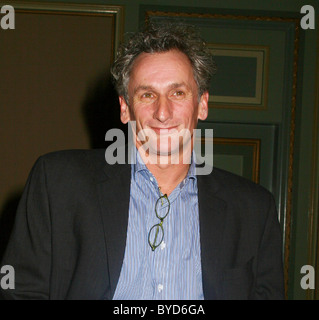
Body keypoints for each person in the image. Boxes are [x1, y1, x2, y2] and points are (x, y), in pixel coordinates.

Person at [0, 23, 284, 300]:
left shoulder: (254, 209)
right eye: (147, 95)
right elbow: (20, 291)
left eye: (178, 93)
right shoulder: (57, 183)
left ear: (202, 104)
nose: (163, 112)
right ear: (125, 108)